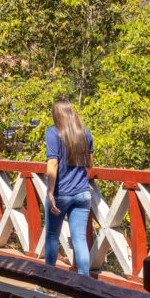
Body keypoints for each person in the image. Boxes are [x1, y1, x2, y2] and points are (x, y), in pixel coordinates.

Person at [43, 99, 94, 276]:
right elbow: (90, 164)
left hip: (61, 193)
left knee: (51, 237)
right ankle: (84, 287)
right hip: (82, 193)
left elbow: (53, 163)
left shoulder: (53, 133)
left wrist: (50, 193)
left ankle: (49, 283)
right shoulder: (84, 133)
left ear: (56, 115)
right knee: (80, 239)